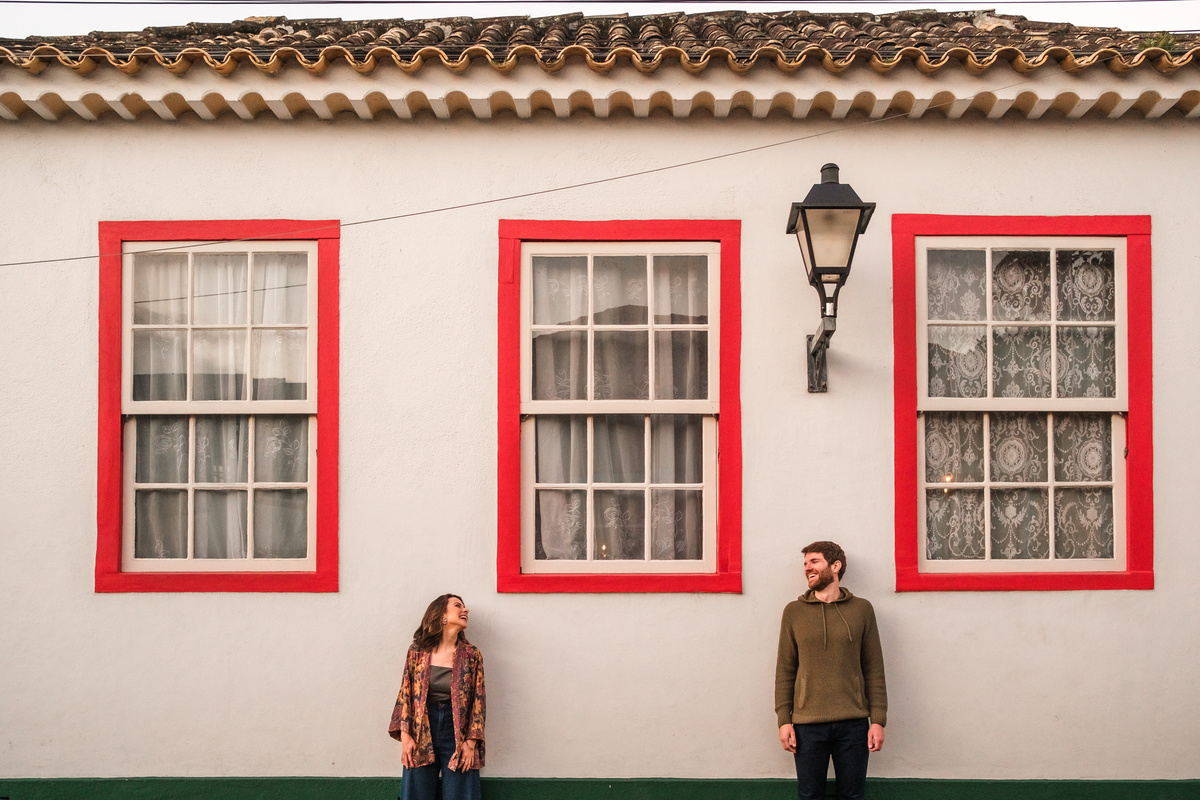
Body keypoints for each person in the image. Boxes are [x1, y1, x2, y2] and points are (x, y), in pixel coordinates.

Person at [775, 541, 887, 800]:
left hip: (854, 723)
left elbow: (874, 669)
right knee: (810, 795)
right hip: (807, 725)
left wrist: (878, 719)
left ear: (835, 566)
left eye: (814, 562)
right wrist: (784, 720)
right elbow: (785, 670)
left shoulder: (862, 610)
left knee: (852, 795)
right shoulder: (793, 612)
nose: (807, 568)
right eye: (805, 564)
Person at [389, 594, 485, 800]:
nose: (465, 610)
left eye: (465, 607)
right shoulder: (417, 651)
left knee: (461, 794)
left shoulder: (471, 655)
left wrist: (471, 743)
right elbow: (405, 693)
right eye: (458, 606)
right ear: (441, 616)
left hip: (457, 731)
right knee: (416, 793)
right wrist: (406, 736)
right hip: (422, 727)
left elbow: (478, 700)